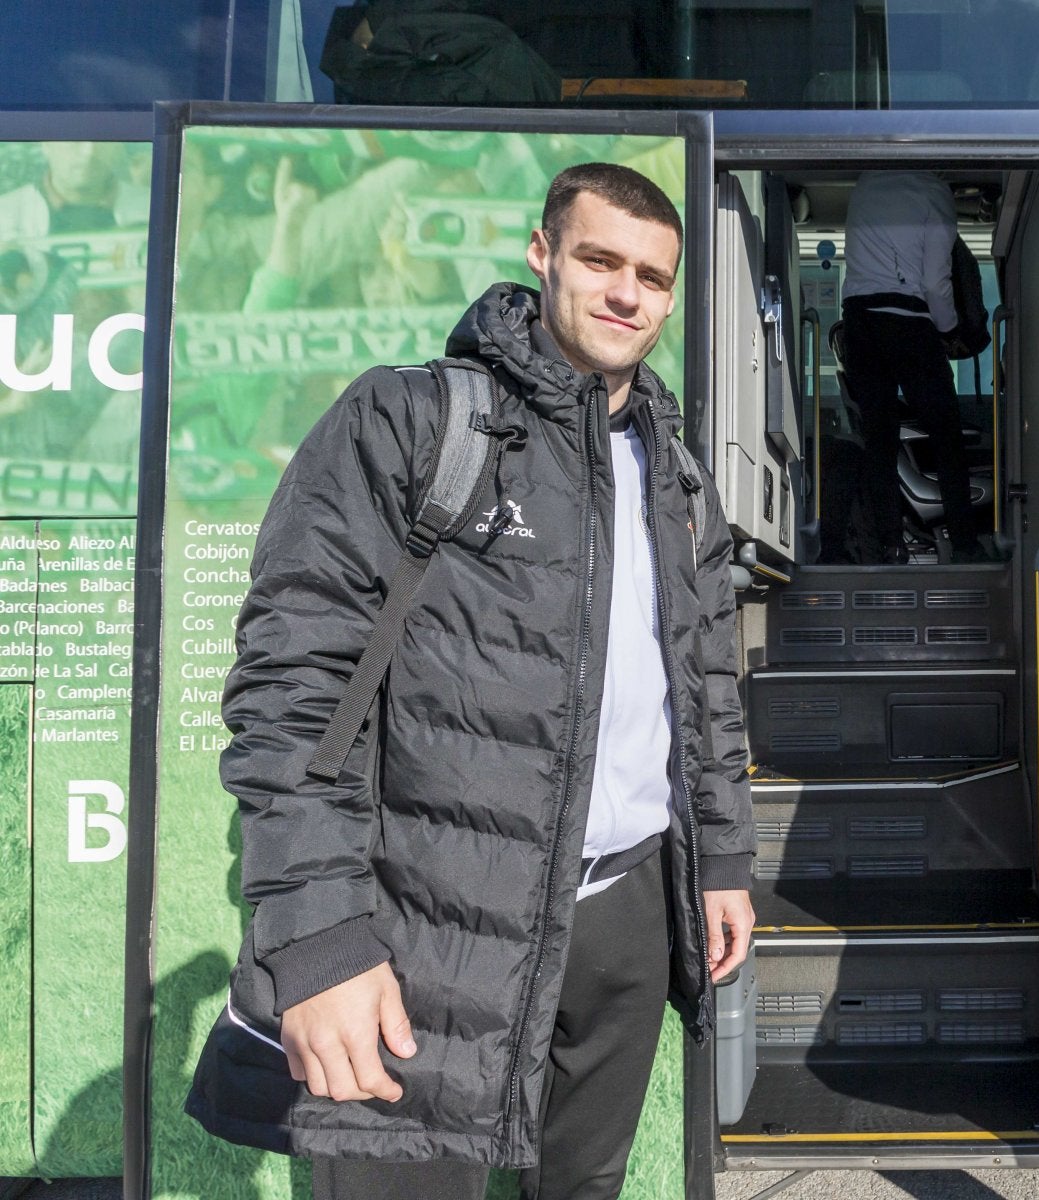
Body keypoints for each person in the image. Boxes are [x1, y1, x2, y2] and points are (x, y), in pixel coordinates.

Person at [186, 162, 755, 1200]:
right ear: (542, 256)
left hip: (623, 906)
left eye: (654, 277)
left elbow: (707, 680)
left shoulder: (673, 468)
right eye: (600, 260)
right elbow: (293, 690)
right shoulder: (412, 423)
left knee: (584, 1188)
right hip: (428, 917)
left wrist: (719, 857)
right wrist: (317, 941)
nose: (629, 293)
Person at [837, 169, 981, 562]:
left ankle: (889, 544)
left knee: (879, 440)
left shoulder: (864, 184)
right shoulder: (936, 193)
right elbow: (937, 281)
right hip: (908, 321)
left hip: (859, 321)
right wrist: (951, 330)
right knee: (947, 435)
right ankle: (966, 544)